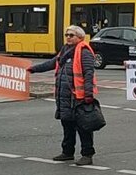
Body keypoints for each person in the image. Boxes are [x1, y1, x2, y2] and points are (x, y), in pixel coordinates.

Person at [27, 25, 98, 166]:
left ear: (80, 37)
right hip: (64, 96)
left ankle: (87, 154)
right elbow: (52, 63)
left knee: (83, 127)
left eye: (71, 35)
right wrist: (33, 69)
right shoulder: (65, 51)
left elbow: (89, 74)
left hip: (78, 96)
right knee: (67, 124)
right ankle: (67, 152)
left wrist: (88, 95)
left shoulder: (84, 52)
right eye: (66, 35)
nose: (68, 37)